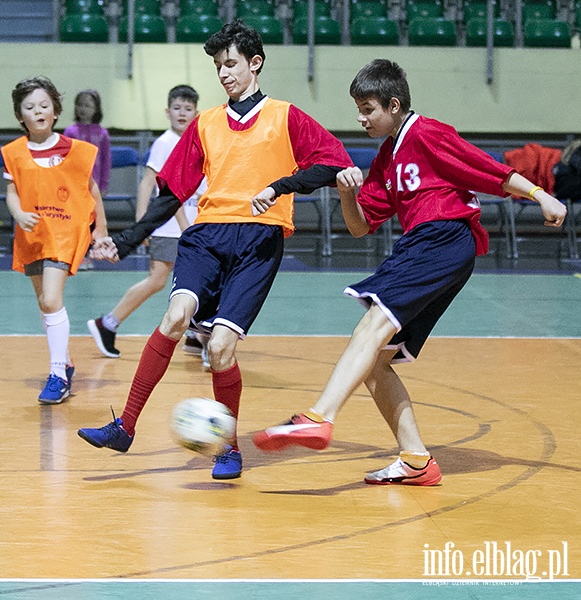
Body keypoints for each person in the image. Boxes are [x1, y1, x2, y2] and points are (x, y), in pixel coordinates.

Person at [253, 59, 567, 485]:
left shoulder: (429, 133)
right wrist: (347, 194)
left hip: (442, 239)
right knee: (376, 362)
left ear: (394, 104)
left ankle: (318, 417)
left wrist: (539, 195)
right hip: (427, 246)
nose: (360, 118)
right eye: (358, 110)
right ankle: (417, 460)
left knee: (371, 325)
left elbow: (488, 169)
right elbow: (361, 226)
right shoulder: (387, 156)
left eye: (368, 109)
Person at [77, 20, 352, 480]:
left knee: (221, 347)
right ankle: (124, 426)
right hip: (206, 237)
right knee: (174, 317)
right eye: (218, 67)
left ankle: (228, 448)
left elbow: (334, 162)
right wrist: (126, 240)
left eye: (231, 64)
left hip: (259, 240)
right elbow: (170, 192)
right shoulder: (205, 124)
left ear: (254, 63)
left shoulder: (286, 117)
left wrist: (281, 185)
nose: (223, 74)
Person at [2, 77, 110, 404]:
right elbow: (11, 193)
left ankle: (58, 375)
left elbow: (92, 192)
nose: (38, 111)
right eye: (30, 107)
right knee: (45, 303)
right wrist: (19, 214)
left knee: (51, 300)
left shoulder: (74, 149)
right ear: (20, 115)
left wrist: (101, 231)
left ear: (55, 111)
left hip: (64, 233)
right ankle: (67, 359)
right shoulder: (14, 153)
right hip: (32, 234)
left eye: (44, 105)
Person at [87, 84, 209, 365]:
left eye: (188, 109)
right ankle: (109, 323)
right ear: (167, 112)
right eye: (177, 108)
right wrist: (144, 224)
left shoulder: (195, 140)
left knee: (189, 281)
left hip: (189, 224)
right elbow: (149, 183)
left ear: (196, 113)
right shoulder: (166, 143)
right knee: (161, 280)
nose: (182, 113)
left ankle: (193, 333)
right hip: (170, 227)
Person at [64, 89, 112, 196]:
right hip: (74, 183)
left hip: (95, 182)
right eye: (80, 105)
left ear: (96, 109)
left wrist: (104, 185)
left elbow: (106, 160)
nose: (83, 109)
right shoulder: (70, 131)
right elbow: (65, 159)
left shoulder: (102, 133)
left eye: (87, 105)